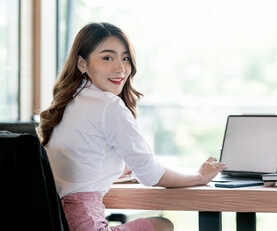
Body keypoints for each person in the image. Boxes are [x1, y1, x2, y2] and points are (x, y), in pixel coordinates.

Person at [37, 22, 227, 231]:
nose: (120, 68)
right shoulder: (108, 105)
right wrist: (200, 177)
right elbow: (152, 175)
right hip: (86, 224)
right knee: (163, 225)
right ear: (82, 63)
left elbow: (83, 161)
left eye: (125, 58)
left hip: (55, 221)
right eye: (107, 57)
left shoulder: (69, 102)